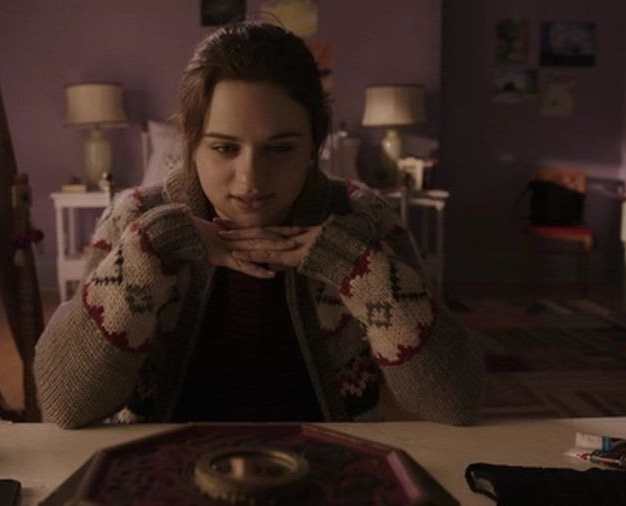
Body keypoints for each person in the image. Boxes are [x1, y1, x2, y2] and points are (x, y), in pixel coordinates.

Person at [35, 21, 484, 428]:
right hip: (160, 468)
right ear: (191, 144)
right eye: (224, 148)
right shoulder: (134, 219)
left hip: (331, 467)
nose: (250, 180)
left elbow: (457, 401)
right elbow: (66, 404)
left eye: (281, 148)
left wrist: (355, 268)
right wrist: (152, 252)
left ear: (314, 144)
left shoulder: (363, 219)